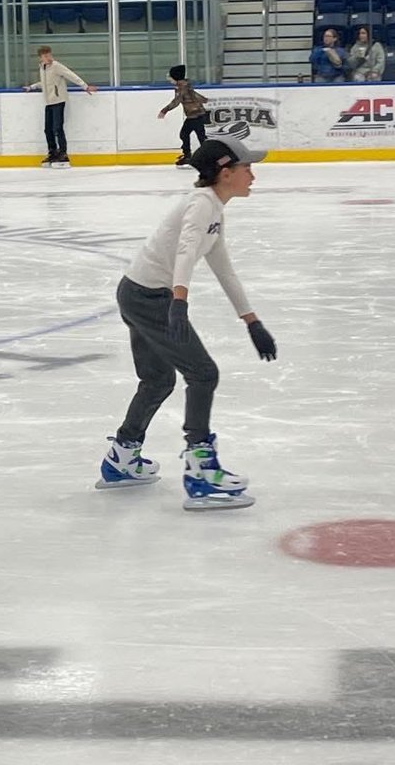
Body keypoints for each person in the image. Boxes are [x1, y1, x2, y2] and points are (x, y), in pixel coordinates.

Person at [96, 134, 278, 511]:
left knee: (158, 380)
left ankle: (121, 459)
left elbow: (223, 267)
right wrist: (179, 300)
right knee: (203, 374)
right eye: (247, 167)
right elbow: (185, 248)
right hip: (150, 298)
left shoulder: (214, 209)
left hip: (138, 292)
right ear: (225, 173)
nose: (253, 176)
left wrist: (252, 321)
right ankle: (201, 473)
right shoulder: (201, 204)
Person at [24, 45, 98, 167]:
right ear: (41, 57)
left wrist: (85, 86)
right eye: (46, 56)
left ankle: (63, 154)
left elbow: (71, 75)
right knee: (48, 129)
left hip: (58, 101)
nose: (49, 58)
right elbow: (45, 82)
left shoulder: (56, 66)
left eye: (49, 55)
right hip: (48, 102)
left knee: (57, 128)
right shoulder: (42, 68)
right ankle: (52, 153)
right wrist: (32, 87)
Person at [157, 64, 209, 167]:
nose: (169, 79)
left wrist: (164, 110)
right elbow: (194, 94)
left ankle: (191, 156)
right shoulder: (186, 85)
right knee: (198, 136)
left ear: (175, 77)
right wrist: (204, 99)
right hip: (197, 114)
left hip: (194, 115)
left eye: (170, 77)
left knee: (186, 134)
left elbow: (176, 101)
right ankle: (202, 156)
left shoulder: (181, 87)